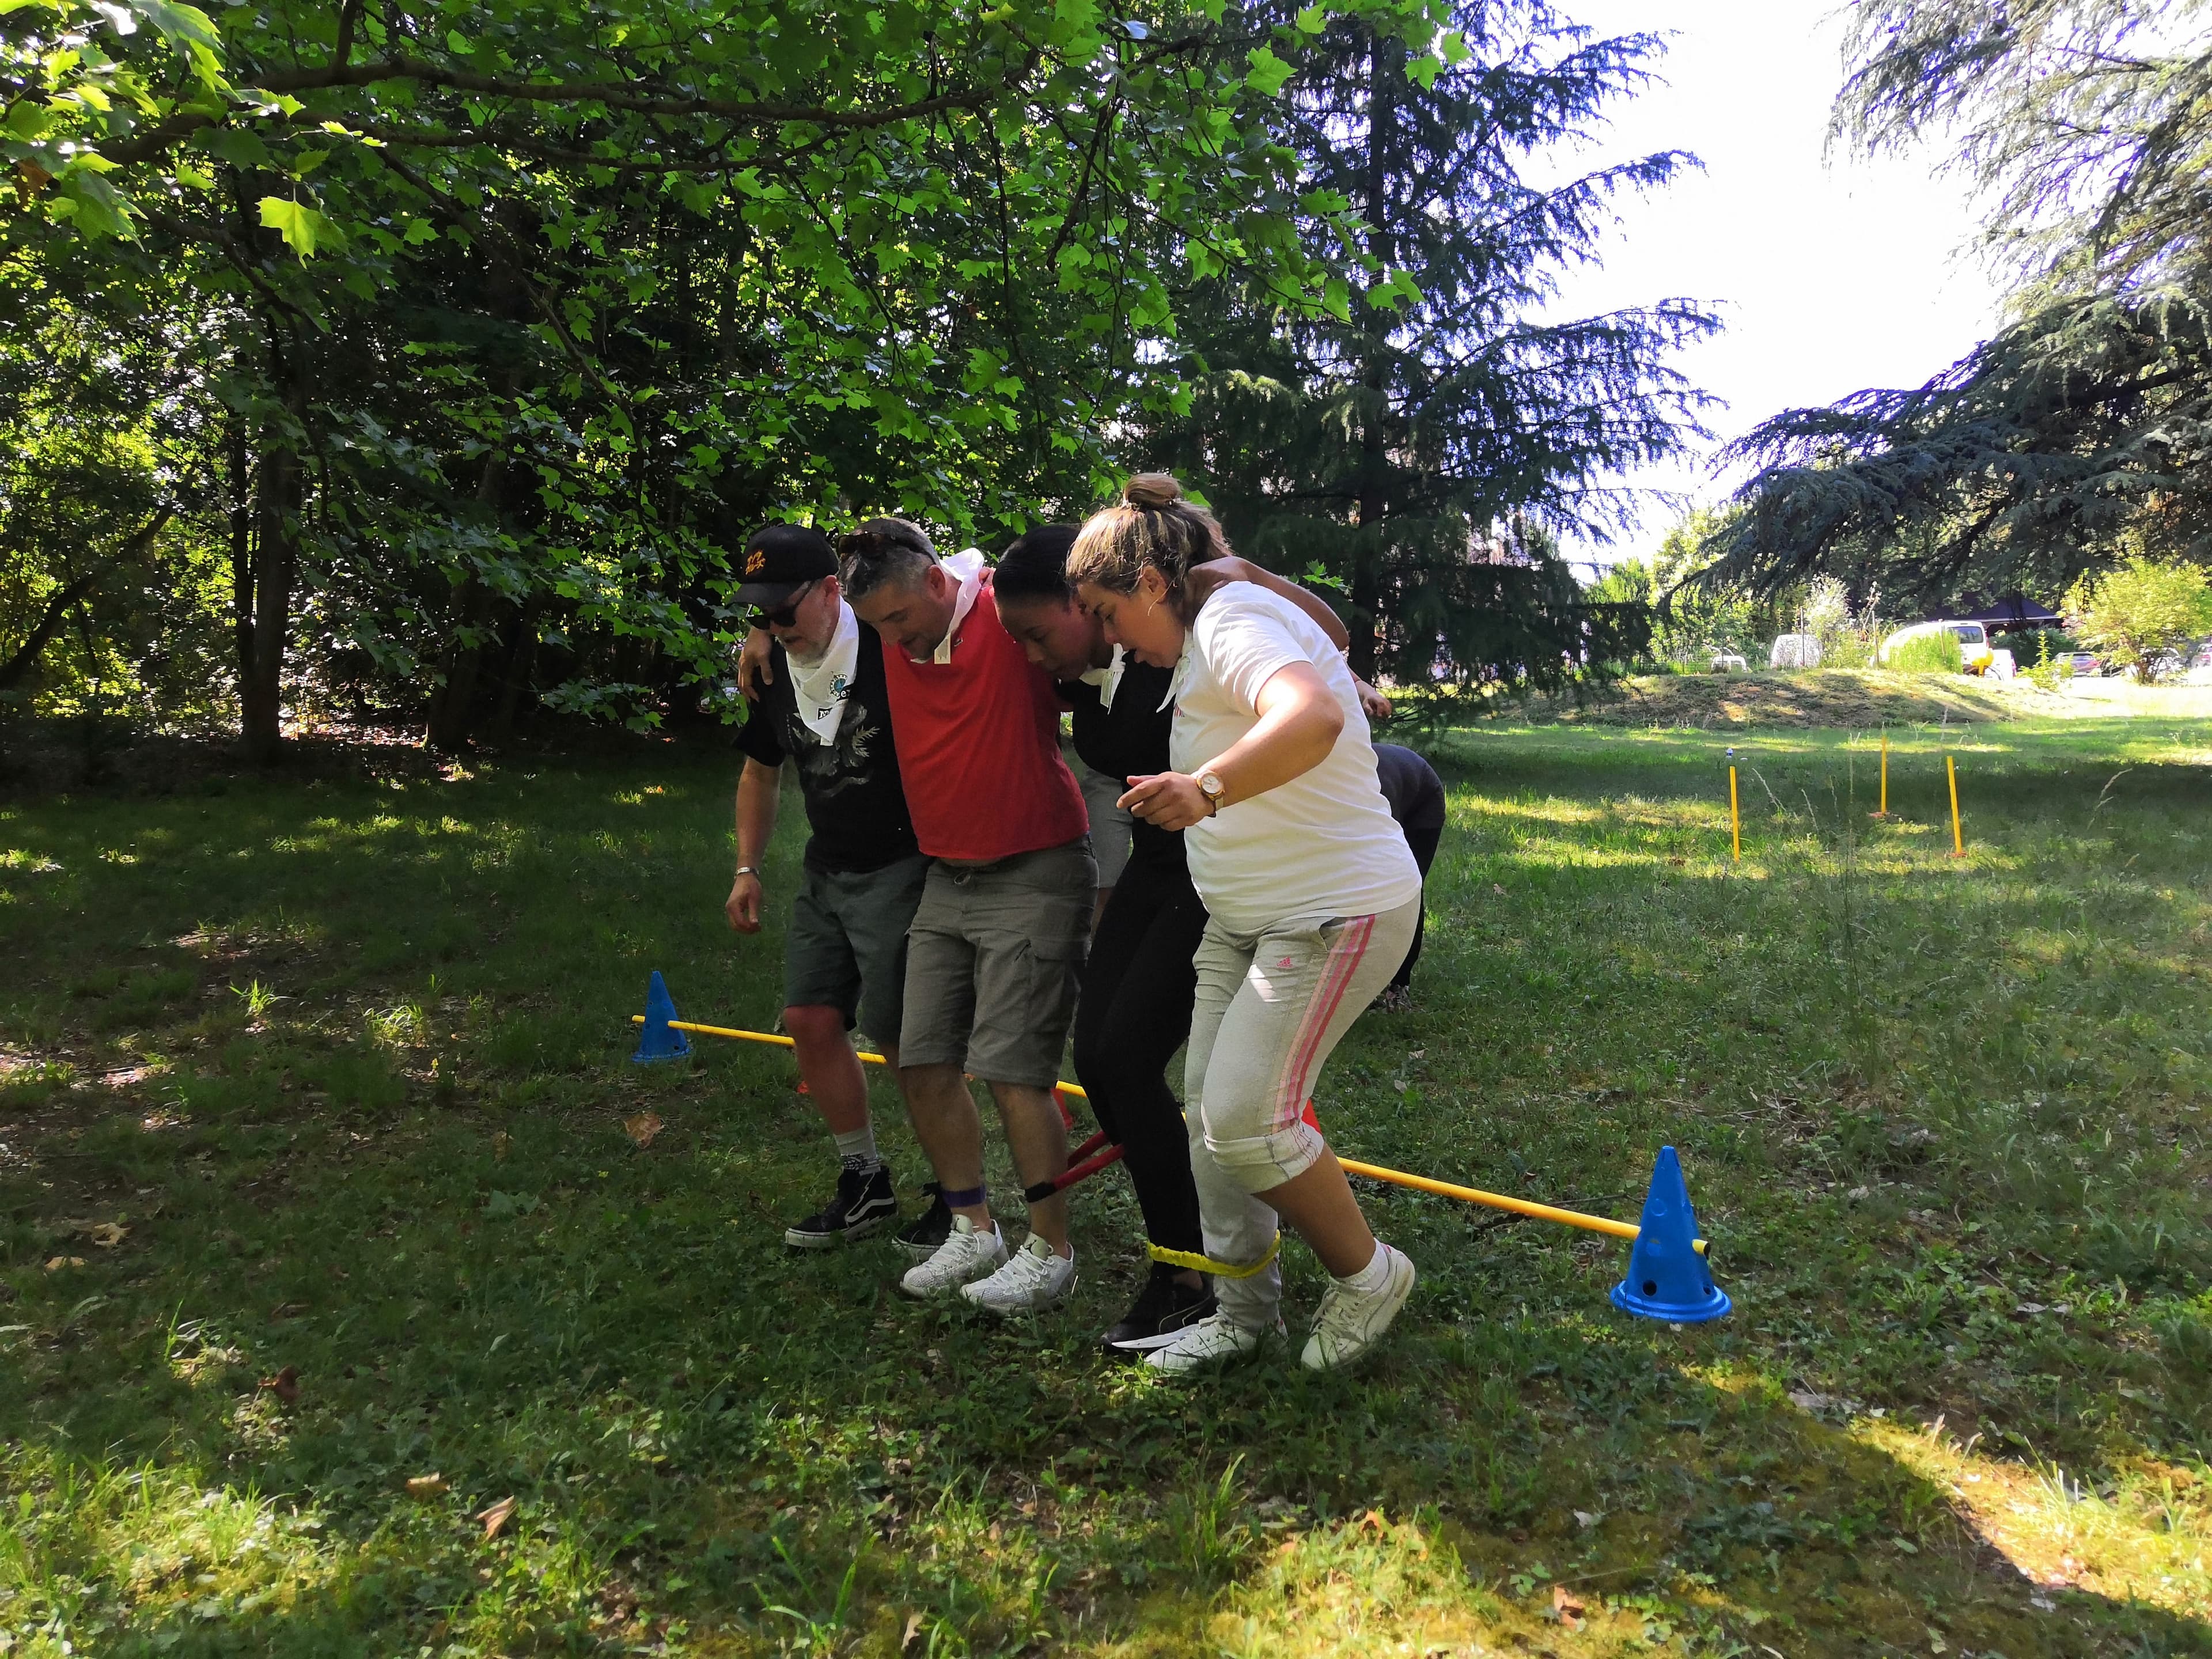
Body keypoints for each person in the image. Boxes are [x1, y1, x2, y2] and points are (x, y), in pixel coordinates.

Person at [1066, 474, 1425, 1376]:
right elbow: (1335, 639)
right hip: (1242, 919)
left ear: (1152, 585)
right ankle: (1241, 1311)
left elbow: (1313, 711)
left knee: (1247, 1123)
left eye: (1109, 613)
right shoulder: (1206, 628)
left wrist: (1206, 788)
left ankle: (1371, 1274)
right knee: (1208, 1122)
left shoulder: (1229, 623)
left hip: (1332, 909)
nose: (1108, 638)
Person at [993, 527, 1361, 1354]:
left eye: (1045, 631)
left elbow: (1322, 643)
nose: (1028, 653)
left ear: (1089, 604)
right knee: (1098, 1060)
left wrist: (1247, 568)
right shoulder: (1095, 665)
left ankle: (1192, 1273)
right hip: (1158, 868)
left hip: (1217, 868)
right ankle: (1189, 1253)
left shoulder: (1193, 628)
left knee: (1132, 1059)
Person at [837, 517, 1098, 1314]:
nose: (892, 639)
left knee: (1016, 1071)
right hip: (946, 877)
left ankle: (1049, 1249)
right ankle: (971, 1227)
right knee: (922, 1056)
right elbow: (809, 624)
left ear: (939, 585)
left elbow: (1095, 606)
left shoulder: (1005, 613)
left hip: (1036, 866)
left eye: (901, 622)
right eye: (878, 626)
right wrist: (756, 637)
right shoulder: (885, 623)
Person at [724, 524, 930, 1248]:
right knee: (810, 1019)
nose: (774, 627)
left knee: (908, 1036)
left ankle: (953, 1194)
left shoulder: (886, 637)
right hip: (826, 868)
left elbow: (949, 578)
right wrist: (747, 869)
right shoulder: (772, 667)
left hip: (903, 864)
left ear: (833, 591)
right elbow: (759, 771)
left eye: (785, 611)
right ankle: (865, 1181)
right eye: (760, 614)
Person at [1371, 744, 1447, 1010]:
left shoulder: (1372, 793)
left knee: (1406, 889)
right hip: (1398, 785)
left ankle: (1399, 986)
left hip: (1422, 801)